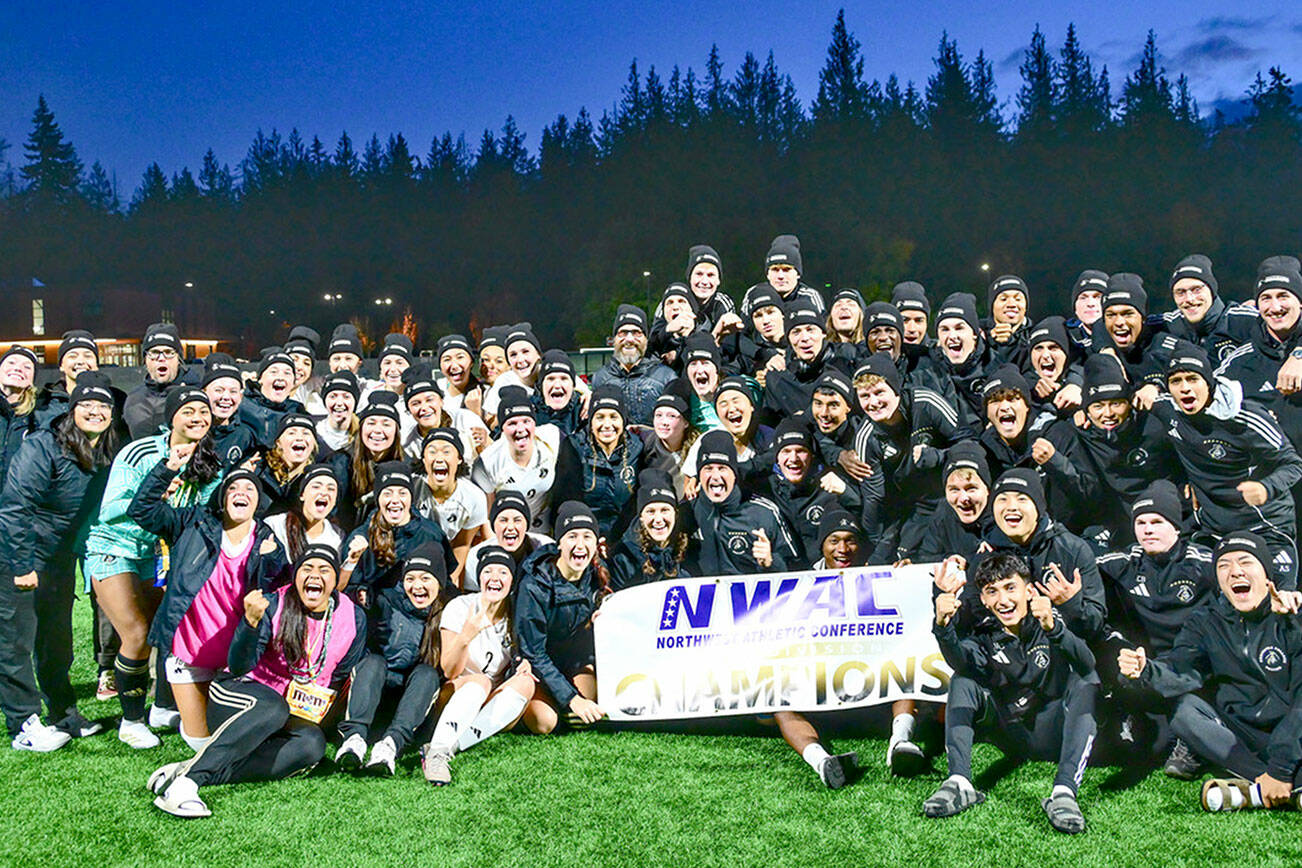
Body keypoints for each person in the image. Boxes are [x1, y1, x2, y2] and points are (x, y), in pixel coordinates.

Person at [147, 545, 367, 818]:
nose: (315, 575)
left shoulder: (353, 616)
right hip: (240, 694)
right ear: (295, 576)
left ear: (335, 580)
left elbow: (339, 674)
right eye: (307, 569)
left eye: (324, 570)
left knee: (312, 744)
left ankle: (188, 770)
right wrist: (249, 623)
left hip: (292, 708)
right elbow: (239, 665)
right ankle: (184, 788)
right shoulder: (274, 603)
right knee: (272, 708)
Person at [1118, 532, 1302, 813]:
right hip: (1246, 732)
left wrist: (1282, 765)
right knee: (1185, 712)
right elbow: (1182, 668)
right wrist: (1147, 670)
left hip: (1292, 731)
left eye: (1245, 562)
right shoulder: (1206, 621)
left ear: (1266, 573)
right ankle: (1274, 786)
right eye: (1223, 566)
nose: (1235, 571)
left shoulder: (1292, 615)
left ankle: (1264, 788)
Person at [84, 386, 223, 748]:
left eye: (203, 413)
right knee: (136, 633)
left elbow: (202, 513)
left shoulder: (208, 459)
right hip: (116, 548)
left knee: (161, 633)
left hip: (159, 556)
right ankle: (131, 721)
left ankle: (160, 708)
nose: (197, 418)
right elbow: (111, 508)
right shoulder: (140, 451)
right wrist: (155, 490)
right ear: (171, 417)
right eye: (188, 411)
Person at [927, 553, 1098, 834]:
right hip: (1010, 731)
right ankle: (959, 782)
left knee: (1085, 681)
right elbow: (962, 661)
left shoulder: (1050, 618)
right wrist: (943, 627)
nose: (1003, 600)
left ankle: (1064, 793)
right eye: (992, 592)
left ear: (1028, 590)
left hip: (1052, 728)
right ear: (983, 599)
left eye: (1010, 588)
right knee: (962, 679)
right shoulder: (984, 633)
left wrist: (1054, 629)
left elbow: (1088, 665)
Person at [128, 462, 285, 750]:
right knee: (201, 742)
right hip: (188, 652)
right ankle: (169, 709)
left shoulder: (268, 540)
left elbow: (277, 594)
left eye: (250, 488)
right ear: (223, 498)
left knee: (246, 736)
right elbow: (142, 511)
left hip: (235, 663)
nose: (241, 493)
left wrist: (271, 559)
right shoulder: (193, 523)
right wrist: (167, 470)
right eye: (233, 488)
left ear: (258, 501)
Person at [0, 372, 120, 750]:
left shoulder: (105, 449)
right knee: (16, 642)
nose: (95, 411)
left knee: (57, 642)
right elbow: (15, 507)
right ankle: (23, 723)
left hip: (59, 558)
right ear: (72, 409)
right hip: (19, 554)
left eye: (102, 405)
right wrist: (21, 566)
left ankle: (63, 714)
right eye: (86, 404)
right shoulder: (43, 446)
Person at [1150, 341, 1302, 588]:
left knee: (1277, 602)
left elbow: (1293, 464)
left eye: (1192, 379)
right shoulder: (1168, 410)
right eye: (1176, 381)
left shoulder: (1245, 417)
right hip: (1213, 528)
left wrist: (1266, 488)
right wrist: (1148, 385)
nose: (1185, 388)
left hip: (1264, 526)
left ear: (1209, 383)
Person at [1095, 481, 1215, 778]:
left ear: (1176, 527)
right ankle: (1126, 716)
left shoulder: (1204, 564)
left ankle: (1190, 740)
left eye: (1157, 522)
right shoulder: (1124, 562)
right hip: (1143, 664)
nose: (1148, 529)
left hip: (1191, 668)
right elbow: (1080, 560)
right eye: (1141, 522)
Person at [422, 545, 536, 784]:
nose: (495, 578)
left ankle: (452, 745)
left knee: (526, 683)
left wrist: (524, 663)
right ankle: (437, 752)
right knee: (480, 681)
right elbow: (449, 670)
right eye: (488, 572)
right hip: (454, 695)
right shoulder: (460, 607)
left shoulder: (516, 613)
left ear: (512, 580)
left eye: (503, 572)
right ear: (479, 577)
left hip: (490, 706)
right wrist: (467, 635)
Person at [337, 543, 452, 775]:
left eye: (425, 579)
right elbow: (344, 600)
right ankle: (354, 739)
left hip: (408, 705)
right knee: (374, 661)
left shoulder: (447, 612)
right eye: (410, 578)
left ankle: (389, 746)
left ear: (439, 583)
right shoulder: (385, 600)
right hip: (371, 694)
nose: (417, 586)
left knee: (427, 673)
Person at [514, 502, 608, 734]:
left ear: (596, 544)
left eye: (587, 537)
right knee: (545, 722)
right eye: (572, 536)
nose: (580, 544)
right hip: (537, 664)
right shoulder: (535, 584)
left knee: (589, 709)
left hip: (572, 661)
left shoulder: (597, 574)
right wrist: (572, 699)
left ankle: (565, 700)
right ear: (559, 543)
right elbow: (534, 652)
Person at [340, 462, 450, 608]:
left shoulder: (431, 533)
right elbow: (345, 589)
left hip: (419, 614)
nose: (395, 500)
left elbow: (446, 582)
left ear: (411, 498)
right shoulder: (361, 537)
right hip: (376, 616)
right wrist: (361, 593)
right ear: (378, 498)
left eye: (402, 493)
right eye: (387, 493)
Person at [692, 430, 798, 576]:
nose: (715, 476)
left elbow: (796, 569)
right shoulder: (688, 512)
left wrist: (770, 562)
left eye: (722, 468)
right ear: (699, 475)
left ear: (734, 474)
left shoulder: (763, 513)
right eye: (708, 469)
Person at [551, 385, 643, 541]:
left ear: (623, 420)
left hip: (625, 539)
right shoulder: (573, 447)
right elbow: (566, 502)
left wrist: (618, 541)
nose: (607, 424)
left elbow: (636, 505)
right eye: (600, 417)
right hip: (584, 537)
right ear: (591, 421)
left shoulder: (637, 449)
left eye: (614, 416)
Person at [470, 386, 561, 536]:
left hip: (542, 529)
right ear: (502, 428)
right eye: (512, 423)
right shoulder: (487, 463)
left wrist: (586, 394)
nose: (521, 429)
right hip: (508, 533)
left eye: (526, 421)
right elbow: (487, 518)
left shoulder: (551, 437)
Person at [416, 428, 489, 586]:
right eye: (432, 451)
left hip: (447, 553)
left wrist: (451, 579)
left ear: (459, 459)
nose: (439, 458)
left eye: (446, 451)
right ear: (423, 459)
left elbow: (462, 543)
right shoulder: (410, 489)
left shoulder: (474, 497)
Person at [590, 305, 676, 426]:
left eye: (636, 333)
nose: (629, 339)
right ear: (614, 339)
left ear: (646, 340)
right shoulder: (600, 378)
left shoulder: (666, 377)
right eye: (623, 333)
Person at [1163, 254, 1257, 363]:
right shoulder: (1168, 325)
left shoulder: (1246, 321)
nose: (1189, 298)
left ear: (1212, 291)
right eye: (1181, 292)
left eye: (1196, 290)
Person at [609, 469, 690, 590]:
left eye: (665, 510)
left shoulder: (689, 549)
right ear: (641, 517)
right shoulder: (623, 558)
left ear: (675, 514)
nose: (658, 519)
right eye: (650, 511)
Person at [913, 443, 992, 566]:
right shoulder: (944, 512)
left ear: (987, 490)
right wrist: (949, 559)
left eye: (971, 489)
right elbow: (926, 556)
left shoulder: (1002, 515)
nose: (964, 498)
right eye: (954, 490)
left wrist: (971, 560)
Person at [337, 390, 405, 528]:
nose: (378, 430)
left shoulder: (406, 466)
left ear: (396, 431)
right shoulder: (341, 462)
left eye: (386, 424)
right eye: (371, 423)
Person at [462, 491, 551, 590]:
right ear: (493, 526)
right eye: (503, 520)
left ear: (527, 525)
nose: (510, 527)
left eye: (517, 520)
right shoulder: (476, 557)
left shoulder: (546, 548)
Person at [401, 364, 486, 461]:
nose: (424, 408)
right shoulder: (408, 444)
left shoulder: (466, 420)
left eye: (429, 400)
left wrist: (486, 443)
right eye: (416, 403)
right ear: (408, 410)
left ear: (441, 401)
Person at [265, 464, 343, 561]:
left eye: (331, 489)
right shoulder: (275, 525)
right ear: (302, 495)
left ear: (335, 500)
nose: (324, 492)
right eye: (316, 487)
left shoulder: (337, 537)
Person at [123, 323, 188, 439]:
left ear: (179, 359)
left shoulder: (193, 396)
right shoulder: (133, 399)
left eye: (168, 352)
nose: (161, 358)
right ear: (145, 360)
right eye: (154, 353)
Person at [254, 413, 322, 516]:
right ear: (278, 442)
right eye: (292, 433)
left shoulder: (317, 480)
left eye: (306, 433)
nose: (300, 438)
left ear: (313, 444)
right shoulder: (259, 471)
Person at [741, 234, 824, 316]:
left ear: (798, 274)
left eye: (786, 270)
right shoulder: (753, 294)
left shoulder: (810, 297)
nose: (780, 276)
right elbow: (744, 328)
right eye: (775, 270)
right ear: (767, 274)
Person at [240, 347, 305, 449]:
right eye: (274, 372)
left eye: (287, 373)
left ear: (293, 383)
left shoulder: (297, 411)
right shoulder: (241, 406)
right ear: (260, 378)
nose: (280, 377)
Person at [200, 353, 257, 468]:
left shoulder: (245, 436)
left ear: (240, 397)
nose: (226, 397)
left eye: (233, 391)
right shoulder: (190, 430)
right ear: (204, 393)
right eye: (219, 390)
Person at [0, 346, 43, 487]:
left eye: (27, 367)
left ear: (32, 380)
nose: (18, 369)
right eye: (11, 363)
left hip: (17, 505)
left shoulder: (39, 418)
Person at [530, 350, 585, 436]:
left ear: (573, 386)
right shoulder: (528, 410)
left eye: (564, 379)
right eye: (551, 379)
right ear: (541, 386)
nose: (557, 385)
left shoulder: (585, 411)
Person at [984, 274, 1032, 368]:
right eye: (1003, 299)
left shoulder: (1035, 335)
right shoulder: (977, 333)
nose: (1011, 304)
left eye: (1018, 299)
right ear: (992, 305)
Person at [436, 334, 484, 417]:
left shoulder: (485, 394)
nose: (454, 366)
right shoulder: (435, 390)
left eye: (460, 357)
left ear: (471, 362)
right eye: (447, 359)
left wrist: (476, 412)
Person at [314, 370, 359, 453]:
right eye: (333, 396)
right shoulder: (314, 434)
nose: (339, 403)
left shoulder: (364, 437)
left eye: (346, 397)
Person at [1066, 270, 1107, 352]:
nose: (1090, 304)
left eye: (1098, 297)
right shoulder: (1064, 340)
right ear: (1075, 308)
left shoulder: (1124, 337)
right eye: (1083, 298)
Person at [892, 281, 931, 347]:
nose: (912, 329)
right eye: (904, 320)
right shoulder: (876, 354)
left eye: (919, 321)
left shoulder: (940, 354)